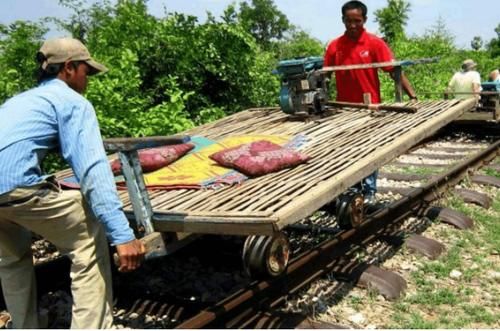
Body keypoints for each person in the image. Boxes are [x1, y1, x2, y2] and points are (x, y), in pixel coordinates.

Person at [0, 37, 146, 328]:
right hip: (18, 191)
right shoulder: (71, 102)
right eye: (86, 71)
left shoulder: (18, 102)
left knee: (11, 259)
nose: (87, 79)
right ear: (68, 68)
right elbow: (92, 169)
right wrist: (122, 234)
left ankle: (23, 326)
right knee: (88, 238)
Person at [323, 0, 417, 205]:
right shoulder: (335, 46)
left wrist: (412, 96)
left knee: (370, 149)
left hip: (371, 107)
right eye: (348, 21)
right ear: (343, 20)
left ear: (364, 20)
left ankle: (369, 191)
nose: (353, 25)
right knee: (347, 149)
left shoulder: (374, 43)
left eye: (357, 21)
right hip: (343, 108)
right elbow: (325, 77)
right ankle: (352, 188)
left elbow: (394, 71)